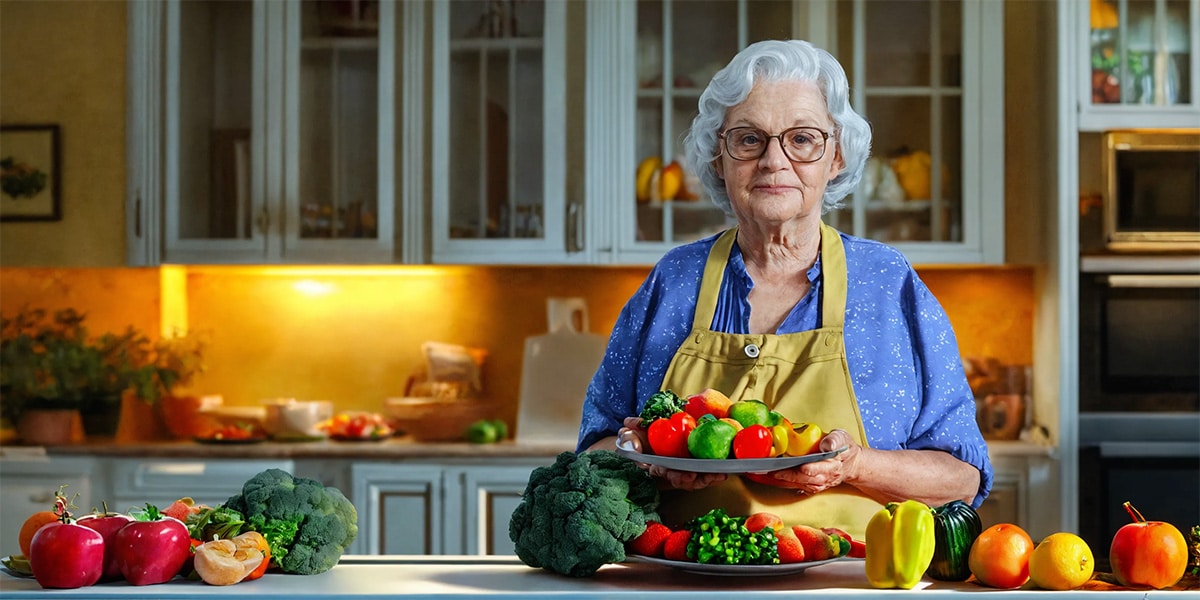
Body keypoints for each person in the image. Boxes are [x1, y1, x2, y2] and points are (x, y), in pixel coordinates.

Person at [576, 39, 992, 539]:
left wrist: (852, 465)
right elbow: (592, 455)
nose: (775, 160)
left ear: (835, 156)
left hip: (853, 585)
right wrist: (644, 462)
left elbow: (960, 482)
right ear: (717, 159)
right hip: (682, 582)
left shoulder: (889, 285)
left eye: (802, 139)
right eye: (749, 139)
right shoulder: (673, 281)